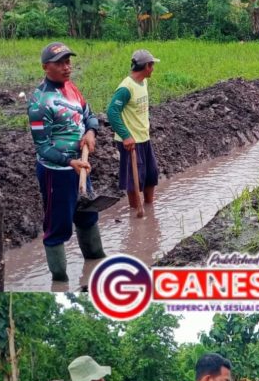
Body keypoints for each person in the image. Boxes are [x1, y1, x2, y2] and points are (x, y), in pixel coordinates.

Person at [28, 42, 106, 282]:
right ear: (45, 67)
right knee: (57, 227)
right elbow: (42, 148)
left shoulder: (72, 88)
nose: (66, 67)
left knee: (87, 215)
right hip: (57, 172)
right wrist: (69, 162)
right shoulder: (40, 103)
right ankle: (60, 280)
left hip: (80, 167)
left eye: (68, 61)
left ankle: (95, 267)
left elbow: (89, 115)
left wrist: (91, 132)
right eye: (60, 63)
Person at [107, 49, 161, 210]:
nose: (153, 69)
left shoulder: (144, 82)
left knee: (151, 174)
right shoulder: (126, 88)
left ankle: (150, 208)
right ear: (146, 66)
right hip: (131, 141)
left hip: (144, 137)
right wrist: (125, 136)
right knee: (135, 179)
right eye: (152, 65)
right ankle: (136, 211)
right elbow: (112, 111)